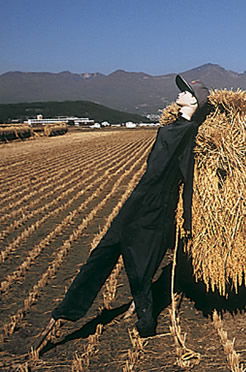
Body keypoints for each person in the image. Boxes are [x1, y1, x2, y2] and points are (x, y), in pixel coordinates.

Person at [35, 76, 211, 349]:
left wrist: (182, 213)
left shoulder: (185, 131)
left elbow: (177, 174)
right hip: (140, 201)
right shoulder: (174, 127)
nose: (180, 93)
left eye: (186, 91)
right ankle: (67, 311)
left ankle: (145, 321)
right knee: (104, 252)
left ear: (194, 101)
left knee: (139, 266)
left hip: (154, 206)